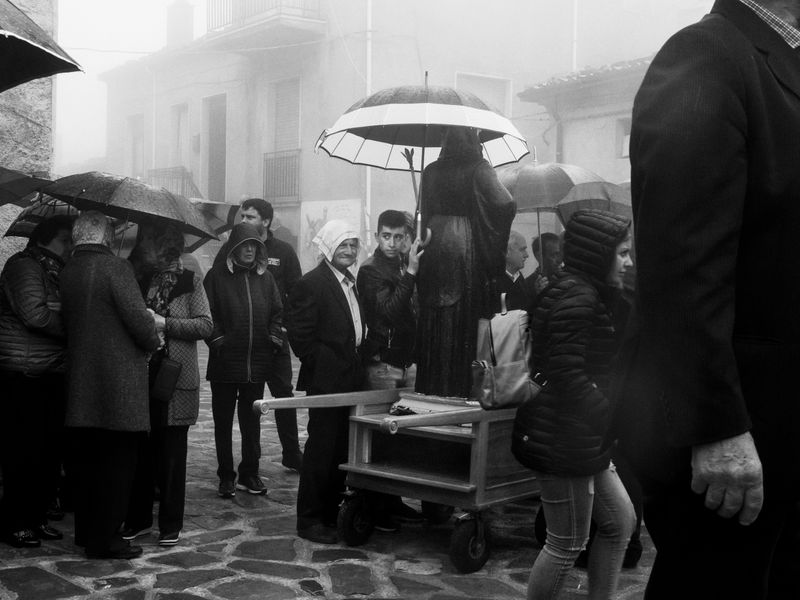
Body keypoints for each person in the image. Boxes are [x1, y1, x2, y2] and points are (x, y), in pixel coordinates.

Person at [613, 1, 800, 598]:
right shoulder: (707, 55)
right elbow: (682, 264)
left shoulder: (782, 64)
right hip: (738, 436)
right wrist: (715, 428)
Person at [512, 209, 635, 600]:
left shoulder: (581, 290)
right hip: (563, 438)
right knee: (565, 543)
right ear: (598, 254)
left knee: (619, 523)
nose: (629, 262)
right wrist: (614, 422)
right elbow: (569, 377)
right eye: (622, 253)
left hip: (579, 436)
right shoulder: (577, 296)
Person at [60, 211, 162, 559]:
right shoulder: (117, 269)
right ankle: (105, 540)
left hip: (80, 383)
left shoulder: (69, 269)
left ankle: (88, 533)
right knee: (118, 466)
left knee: (87, 464)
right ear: (105, 237)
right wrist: (153, 339)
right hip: (117, 385)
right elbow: (139, 321)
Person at [121, 222, 212, 546]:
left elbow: (205, 325)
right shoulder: (136, 278)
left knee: (172, 455)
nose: (151, 248)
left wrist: (165, 323)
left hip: (176, 378)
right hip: (141, 375)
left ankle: (170, 524)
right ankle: (138, 519)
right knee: (141, 451)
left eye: (155, 241)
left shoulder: (189, 280)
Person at [415, 127, 515, 398]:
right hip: (463, 244)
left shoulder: (430, 171)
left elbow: (421, 215)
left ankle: (432, 387)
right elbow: (505, 204)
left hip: (433, 244)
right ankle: (458, 388)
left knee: (435, 316)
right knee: (462, 319)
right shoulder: (480, 168)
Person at [287, 219, 364, 545]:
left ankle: (332, 514)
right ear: (328, 248)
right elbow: (301, 338)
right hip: (327, 380)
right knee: (321, 449)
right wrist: (328, 364)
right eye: (342, 245)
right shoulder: (312, 283)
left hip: (351, 379)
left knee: (341, 449)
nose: (348, 251)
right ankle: (310, 519)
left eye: (352, 245)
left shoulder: (349, 280)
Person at [0, 215, 74, 548]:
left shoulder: (54, 269)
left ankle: (36, 517)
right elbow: (36, 314)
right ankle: (15, 522)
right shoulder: (24, 266)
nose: (70, 246)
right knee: (23, 453)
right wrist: (71, 321)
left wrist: (61, 308)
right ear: (46, 238)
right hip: (23, 371)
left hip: (50, 371)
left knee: (47, 453)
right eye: (65, 239)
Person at [214, 198, 303, 471]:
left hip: (273, 342)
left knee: (283, 395)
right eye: (242, 216)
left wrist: (281, 331)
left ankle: (291, 453)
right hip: (239, 348)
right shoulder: (228, 252)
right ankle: (239, 467)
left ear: (265, 221)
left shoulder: (284, 252)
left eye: (250, 217)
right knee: (247, 407)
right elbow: (216, 292)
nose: (243, 221)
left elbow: (297, 295)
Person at [203, 222, 284, 498]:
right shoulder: (216, 277)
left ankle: (250, 473)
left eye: (254, 245)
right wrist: (219, 342)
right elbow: (207, 315)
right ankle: (226, 476)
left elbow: (277, 313)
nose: (249, 250)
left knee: (252, 423)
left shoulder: (267, 278)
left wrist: (273, 339)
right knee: (222, 422)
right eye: (244, 245)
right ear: (233, 248)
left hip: (257, 362)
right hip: (225, 363)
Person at [356, 209, 424, 531]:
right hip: (383, 362)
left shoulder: (402, 263)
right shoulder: (371, 271)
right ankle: (375, 508)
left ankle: (393, 501)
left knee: (398, 438)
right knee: (379, 438)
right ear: (377, 236)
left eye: (399, 237)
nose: (393, 243)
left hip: (405, 362)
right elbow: (389, 312)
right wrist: (410, 272)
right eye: (387, 236)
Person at [494, 230, 532, 313]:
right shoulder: (493, 283)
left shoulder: (519, 278)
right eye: (522, 250)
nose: (526, 255)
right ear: (507, 252)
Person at [525, 232, 563, 306]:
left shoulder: (566, 277)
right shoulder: (528, 284)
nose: (559, 260)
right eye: (553, 255)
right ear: (539, 256)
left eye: (559, 254)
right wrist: (538, 296)